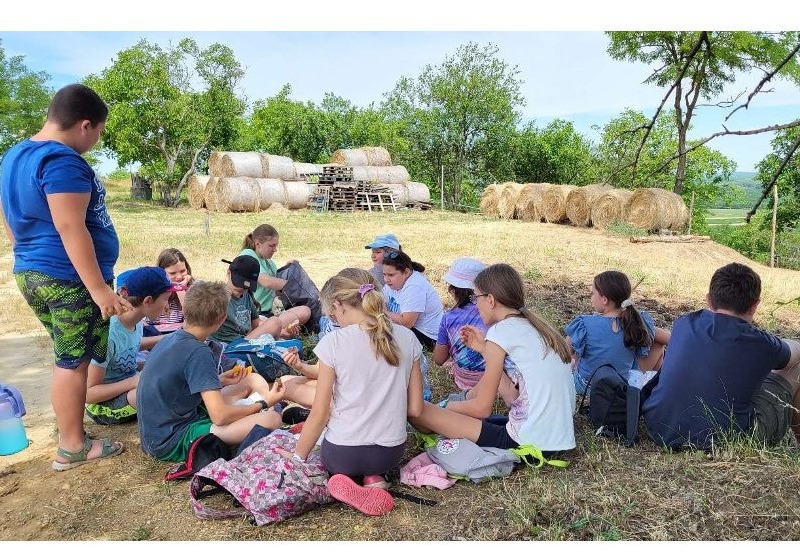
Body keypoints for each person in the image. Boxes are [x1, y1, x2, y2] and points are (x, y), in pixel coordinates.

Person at [0, 83, 128, 471]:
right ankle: (72, 446)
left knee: (71, 356)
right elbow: (71, 227)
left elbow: (8, 217)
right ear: (85, 125)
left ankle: (74, 433)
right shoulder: (62, 161)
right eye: (100, 132)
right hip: (67, 277)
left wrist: (25, 252)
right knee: (71, 362)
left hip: (34, 269)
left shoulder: (14, 156)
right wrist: (99, 288)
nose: (97, 140)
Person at [275, 273, 424, 516]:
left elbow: (320, 413)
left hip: (342, 454)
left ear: (337, 305)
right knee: (374, 461)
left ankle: (345, 478)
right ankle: (374, 478)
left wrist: (298, 457)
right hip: (390, 453)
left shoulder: (334, 342)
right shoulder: (408, 338)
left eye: (332, 315)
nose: (334, 320)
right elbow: (416, 409)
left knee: (325, 442)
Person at [409, 263, 576, 456]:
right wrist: (484, 350)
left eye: (475, 297)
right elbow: (512, 397)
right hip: (555, 439)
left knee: (421, 411)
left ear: (490, 299)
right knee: (466, 419)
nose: (475, 303)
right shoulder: (536, 327)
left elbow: (481, 408)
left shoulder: (500, 332)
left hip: (526, 442)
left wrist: (446, 407)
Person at [642, 262, 800, 450]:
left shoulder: (683, 323)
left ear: (709, 300)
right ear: (755, 304)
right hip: (724, 440)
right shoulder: (761, 343)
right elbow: (792, 355)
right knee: (796, 368)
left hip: (659, 428)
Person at [137, 280, 285, 462]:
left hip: (158, 431)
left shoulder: (172, 339)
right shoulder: (199, 352)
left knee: (250, 379)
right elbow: (220, 416)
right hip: (171, 440)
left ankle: (268, 404)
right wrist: (262, 404)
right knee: (272, 420)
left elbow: (179, 385)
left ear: (186, 310)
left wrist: (219, 380)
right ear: (222, 320)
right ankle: (271, 404)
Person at [85, 267, 181, 425]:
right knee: (151, 392)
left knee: (171, 369)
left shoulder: (136, 322)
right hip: (104, 405)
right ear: (148, 301)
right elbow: (89, 393)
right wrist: (134, 381)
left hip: (129, 382)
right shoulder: (108, 335)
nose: (167, 306)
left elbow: (129, 346)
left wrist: (167, 339)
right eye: (165, 299)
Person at [564, 270, 670, 396]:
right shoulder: (636, 323)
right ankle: (659, 392)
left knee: (577, 348)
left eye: (593, 293)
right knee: (658, 348)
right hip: (619, 389)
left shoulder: (585, 323)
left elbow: (563, 352)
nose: (591, 297)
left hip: (586, 386)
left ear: (604, 299)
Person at [238, 224, 311, 333]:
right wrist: (295, 285)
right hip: (253, 315)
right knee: (296, 315)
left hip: (268, 314)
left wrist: (288, 270)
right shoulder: (247, 254)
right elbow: (266, 282)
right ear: (258, 244)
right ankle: (273, 331)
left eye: (276, 246)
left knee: (305, 311)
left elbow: (277, 291)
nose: (275, 250)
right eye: (271, 246)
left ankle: (272, 330)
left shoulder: (270, 263)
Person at [211, 255, 295, 343]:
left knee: (292, 342)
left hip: (245, 340)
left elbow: (256, 323)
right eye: (238, 284)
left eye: (246, 288)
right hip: (228, 345)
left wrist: (281, 331)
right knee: (275, 322)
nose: (242, 290)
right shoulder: (218, 297)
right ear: (229, 273)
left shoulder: (246, 296)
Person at [381, 250, 444, 352]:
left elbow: (406, 323)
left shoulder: (415, 286)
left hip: (427, 335)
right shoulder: (394, 283)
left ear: (406, 272)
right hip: (410, 328)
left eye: (391, 275)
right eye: (384, 274)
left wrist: (381, 312)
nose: (386, 279)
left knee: (383, 342)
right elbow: (381, 301)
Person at [145, 247, 194, 334]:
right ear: (161, 272)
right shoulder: (152, 288)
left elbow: (191, 318)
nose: (179, 277)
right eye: (172, 273)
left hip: (179, 334)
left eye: (182, 271)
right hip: (154, 334)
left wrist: (180, 289)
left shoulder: (193, 288)